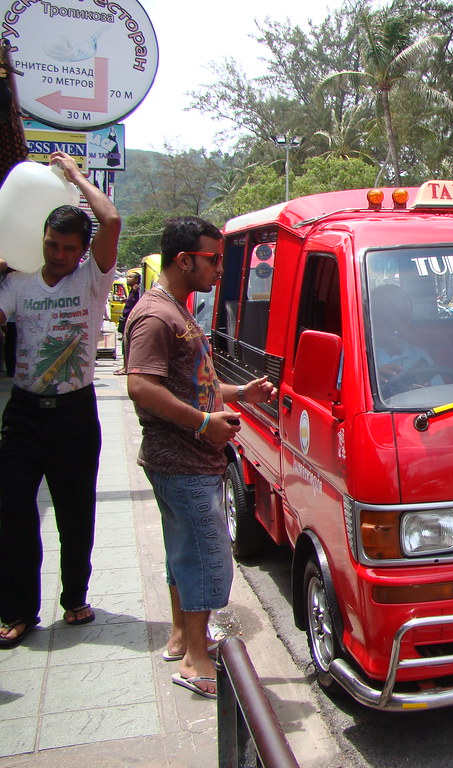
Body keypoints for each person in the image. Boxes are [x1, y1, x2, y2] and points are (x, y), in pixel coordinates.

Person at [125, 216, 276, 699]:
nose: (220, 269)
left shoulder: (179, 309)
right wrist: (202, 423)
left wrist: (241, 394)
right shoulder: (156, 316)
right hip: (182, 461)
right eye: (214, 259)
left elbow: (195, 384)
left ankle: (180, 637)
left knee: (185, 555)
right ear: (183, 259)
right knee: (211, 560)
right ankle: (197, 658)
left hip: (187, 461)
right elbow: (140, 386)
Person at [0, 151, 121, 649]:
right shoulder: (18, 280)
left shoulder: (94, 280)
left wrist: (74, 176)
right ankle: (17, 610)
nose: (56, 254)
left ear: (82, 251)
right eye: (51, 243)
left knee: (75, 511)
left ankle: (75, 598)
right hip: (25, 413)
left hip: (75, 413)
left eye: (67, 248)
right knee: (11, 511)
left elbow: (111, 218)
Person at [371, 283, 441, 394]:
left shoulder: (418, 354)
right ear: (373, 319)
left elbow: (439, 394)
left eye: (403, 318)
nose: (396, 326)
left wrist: (423, 391)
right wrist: (370, 380)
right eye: (388, 318)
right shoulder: (357, 356)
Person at [113, 271, 140, 374]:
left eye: (130, 277)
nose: (128, 278)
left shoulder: (135, 289)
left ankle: (126, 367)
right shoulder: (131, 291)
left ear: (136, 280)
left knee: (126, 344)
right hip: (125, 320)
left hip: (129, 320)